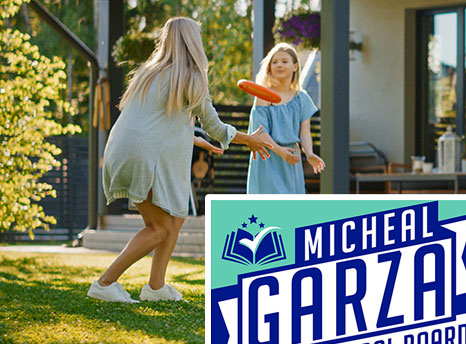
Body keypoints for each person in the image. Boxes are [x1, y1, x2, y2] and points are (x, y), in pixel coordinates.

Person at [89, 17, 277, 303]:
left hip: (121, 149)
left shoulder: (148, 73)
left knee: (174, 218)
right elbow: (216, 127)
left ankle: (156, 287)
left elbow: (152, 122)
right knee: (160, 228)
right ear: (193, 42)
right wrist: (250, 139)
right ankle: (105, 283)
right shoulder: (191, 77)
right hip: (145, 156)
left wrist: (192, 137)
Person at [246, 43, 326, 194]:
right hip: (268, 157)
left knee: (291, 210)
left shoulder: (302, 98)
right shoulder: (263, 96)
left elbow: (305, 133)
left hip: (291, 159)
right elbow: (260, 133)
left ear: (295, 66)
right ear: (269, 68)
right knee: (269, 210)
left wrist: (309, 153)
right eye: (274, 62)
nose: (279, 65)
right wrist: (280, 151)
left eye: (284, 61)